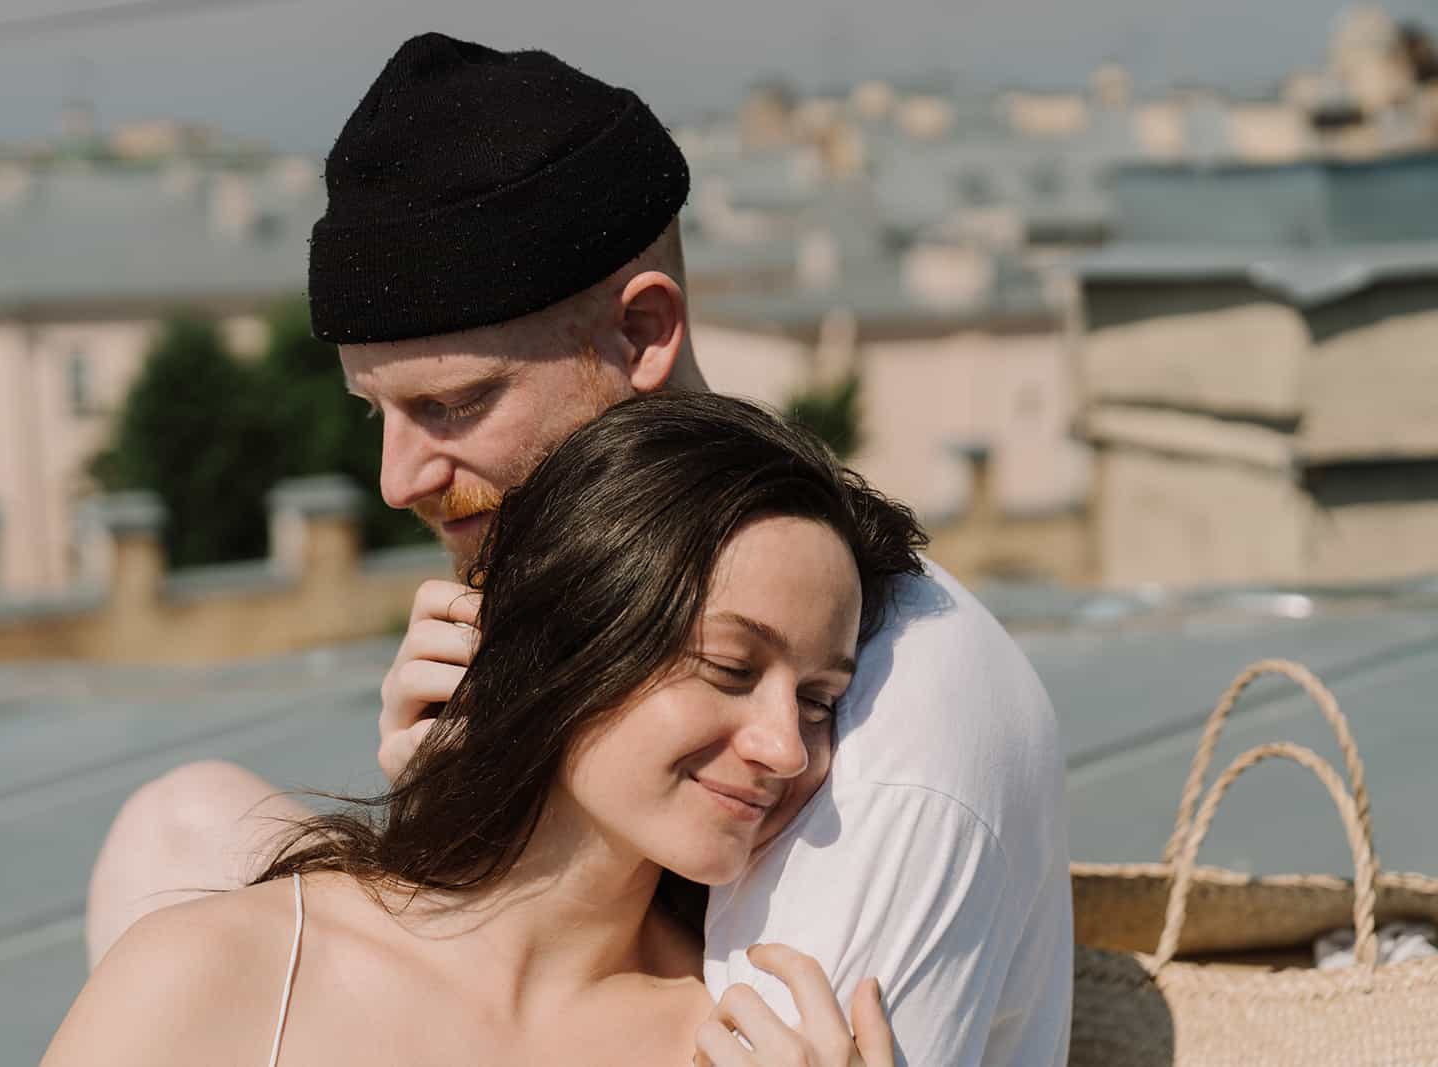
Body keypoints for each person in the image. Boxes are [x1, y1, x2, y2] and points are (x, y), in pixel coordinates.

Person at [85, 33, 1072, 1065]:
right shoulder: (218, 960)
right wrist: (475, 796)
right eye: (378, 412)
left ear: (641, 335)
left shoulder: (892, 743)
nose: (398, 479)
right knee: (184, 825)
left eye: (455, 402)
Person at [46, 391, 927, 1065]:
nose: (786, 744)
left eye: (818, 700)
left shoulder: (737, 1041)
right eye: (732, 669)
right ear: (569, 634)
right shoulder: (219, 970)